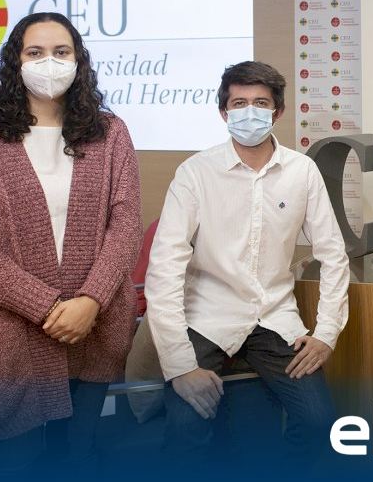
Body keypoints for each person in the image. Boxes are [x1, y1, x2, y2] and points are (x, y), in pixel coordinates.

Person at [0, 11, 142, 474]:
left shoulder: (110, 133)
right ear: (16, 62)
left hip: (93, 328)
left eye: (61, 52)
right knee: (11, 461)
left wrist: (90, 300)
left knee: (78, 456)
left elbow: (126, 224)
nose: (50, 62)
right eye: (36, 52)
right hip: (7, 335)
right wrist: (48, 308)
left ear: (78, 61)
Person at [144, 61, 350, 468]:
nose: (250, 111)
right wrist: (180, 365)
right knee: (185, 426)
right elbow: (164, 267)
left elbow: (333, 255)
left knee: (319, 421)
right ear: (224, 112)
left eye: (261, 103)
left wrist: (326, 333)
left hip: (274, 316)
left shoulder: (302, 171)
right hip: (207, 315)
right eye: (239, 103)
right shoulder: (195, 173)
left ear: (278, 112)